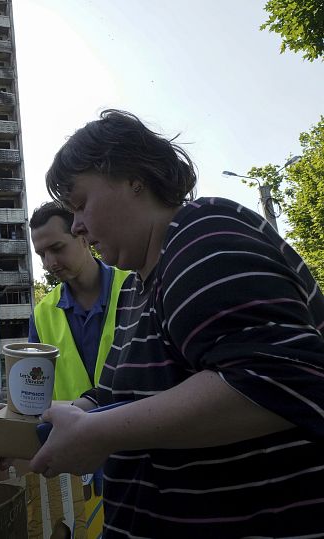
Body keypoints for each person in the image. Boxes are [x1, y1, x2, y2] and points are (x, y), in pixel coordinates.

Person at [31, 109, 324, 537]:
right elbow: (115, 395)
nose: (78, 225)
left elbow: (279, 380)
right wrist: (42, 419)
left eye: (81, 204)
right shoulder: (137, 286)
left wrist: (98, 432)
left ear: (134, 177)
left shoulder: (203, 235)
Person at [28, 200, 128, 405]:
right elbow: (34, 389)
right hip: (69, 435)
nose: (49, 263)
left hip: (136, 430)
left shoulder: (134, 287)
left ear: (83, 237)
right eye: (41, 255)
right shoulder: (41, 315)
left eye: (56, 248)